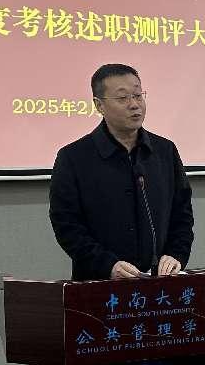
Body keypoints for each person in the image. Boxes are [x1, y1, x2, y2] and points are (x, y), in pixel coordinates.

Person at [49, 63, 194, 281]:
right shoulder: (73, 158)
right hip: (99, 284)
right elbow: (66, 225)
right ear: (99, 105)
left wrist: (176, 254)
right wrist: (107, 265)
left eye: (138, 95)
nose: (134, 104)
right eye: (123, 98)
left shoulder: (164, 151)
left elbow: (182, 213)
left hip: (160, 284)